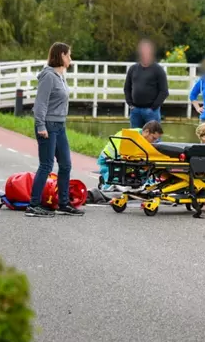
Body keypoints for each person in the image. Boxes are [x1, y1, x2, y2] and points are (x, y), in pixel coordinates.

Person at [26, 42, 84, 217]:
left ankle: (63, 204)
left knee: (65, 165)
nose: (70, 59)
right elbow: (40, 104)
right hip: (48, 126)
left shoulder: (60, 76)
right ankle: (33, 205)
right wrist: (41, 126)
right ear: (61, 56)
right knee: (46, 165)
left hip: (60, 126)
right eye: (69, 55)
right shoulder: (49, 77)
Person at [97, 120, 163, 189]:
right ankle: (103, 192)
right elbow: (125, 155)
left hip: (118, 159)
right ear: (146, 132)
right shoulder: (132, 137)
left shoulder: (140, 136)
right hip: (108, 161)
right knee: (114, 181)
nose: (154, 141)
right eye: (153, 138)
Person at [124, 39, 169, 128]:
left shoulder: (158, 70)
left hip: (151, 112)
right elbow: (127, 88)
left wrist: (153, 108)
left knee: (153, 139)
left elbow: (164, 91)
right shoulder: (133, 69)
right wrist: (130, 104)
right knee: (135, 138)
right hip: (135, 110)